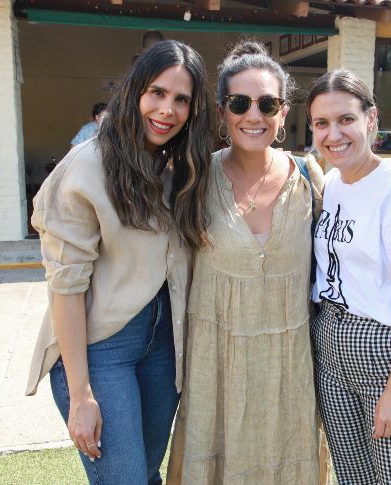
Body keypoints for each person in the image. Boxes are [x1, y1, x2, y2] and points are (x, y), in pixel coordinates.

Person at [25, 39, 212, 485]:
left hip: (162, 346)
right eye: (157, 93)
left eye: (181, 99)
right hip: (101, 350)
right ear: (134, 93)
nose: (167, 109)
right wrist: (81, 394)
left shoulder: (177, 170)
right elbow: (65, 287)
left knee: (145, 474)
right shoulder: (86, 168)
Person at [167, 40, 324, 484]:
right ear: (221, 112)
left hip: (289, 370)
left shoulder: (311, 179)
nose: (254, 115)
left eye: (267, 103)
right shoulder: (193, 177)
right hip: (214, 369)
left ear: (283, 111)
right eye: (240, 103)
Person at [306, 69, 391, 484]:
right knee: (354, 477)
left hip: (387, 351)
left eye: (346, 119)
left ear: (370, 118)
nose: (334, 134)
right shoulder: (331, 183)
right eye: (321, 123)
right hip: (331, 346)